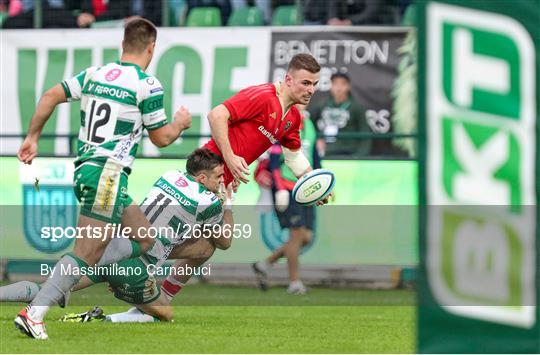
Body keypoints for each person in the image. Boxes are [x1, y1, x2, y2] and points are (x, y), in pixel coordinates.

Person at [14, 18, 192, 339]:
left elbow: (50, 96)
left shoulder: (95, 74)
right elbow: (162, 138)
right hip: (108, 174)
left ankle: (84, 276)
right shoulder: (146, 84)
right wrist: (180, 123)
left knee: (144, 239)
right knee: (85, 253)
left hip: (90, 170)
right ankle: (34, 312)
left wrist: (32, 138)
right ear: (151, 48)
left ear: (123, 44)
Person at [2, 148, 235, 323]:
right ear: (202, 179)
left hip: (113, 247)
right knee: (165, 314)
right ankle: (103, 318)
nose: (222, 182)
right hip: (136, 266)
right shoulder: (208, 201)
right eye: (219, 177)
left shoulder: (170, 175)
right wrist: (228, 204)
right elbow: (225, 241)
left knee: (49, 288)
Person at [204, 53, 330, 208]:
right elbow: (216, 115)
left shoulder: (294, 117)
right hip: (205, 172)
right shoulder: (264, 96)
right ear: (288, 79)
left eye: (314, 84)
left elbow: (294, 157)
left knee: (218, 232)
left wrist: (316, 186)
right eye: (305, 83)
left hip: (224, 184)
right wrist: (229, 157)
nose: (311, 90)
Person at [252, 105, 320, 294]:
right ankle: (294, 283)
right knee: (297, 235)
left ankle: (265, 264)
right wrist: (279, 188)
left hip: (306, 188)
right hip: (287, 188)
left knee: (306, 237)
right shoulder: (284, 124)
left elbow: (314, 156)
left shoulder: (310, 125)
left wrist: (322, 186)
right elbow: (274, 160)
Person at [309, 72, 371, 159]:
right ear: (331, 86)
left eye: (343, 84)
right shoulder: (321, 105)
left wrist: (360, 156)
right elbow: (309, 124)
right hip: (326, 153)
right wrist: (317, 139)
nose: (339, 88)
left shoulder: (356, 107)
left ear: (348, 86)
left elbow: (365, 133)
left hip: (348, 153)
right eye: (335, 83)